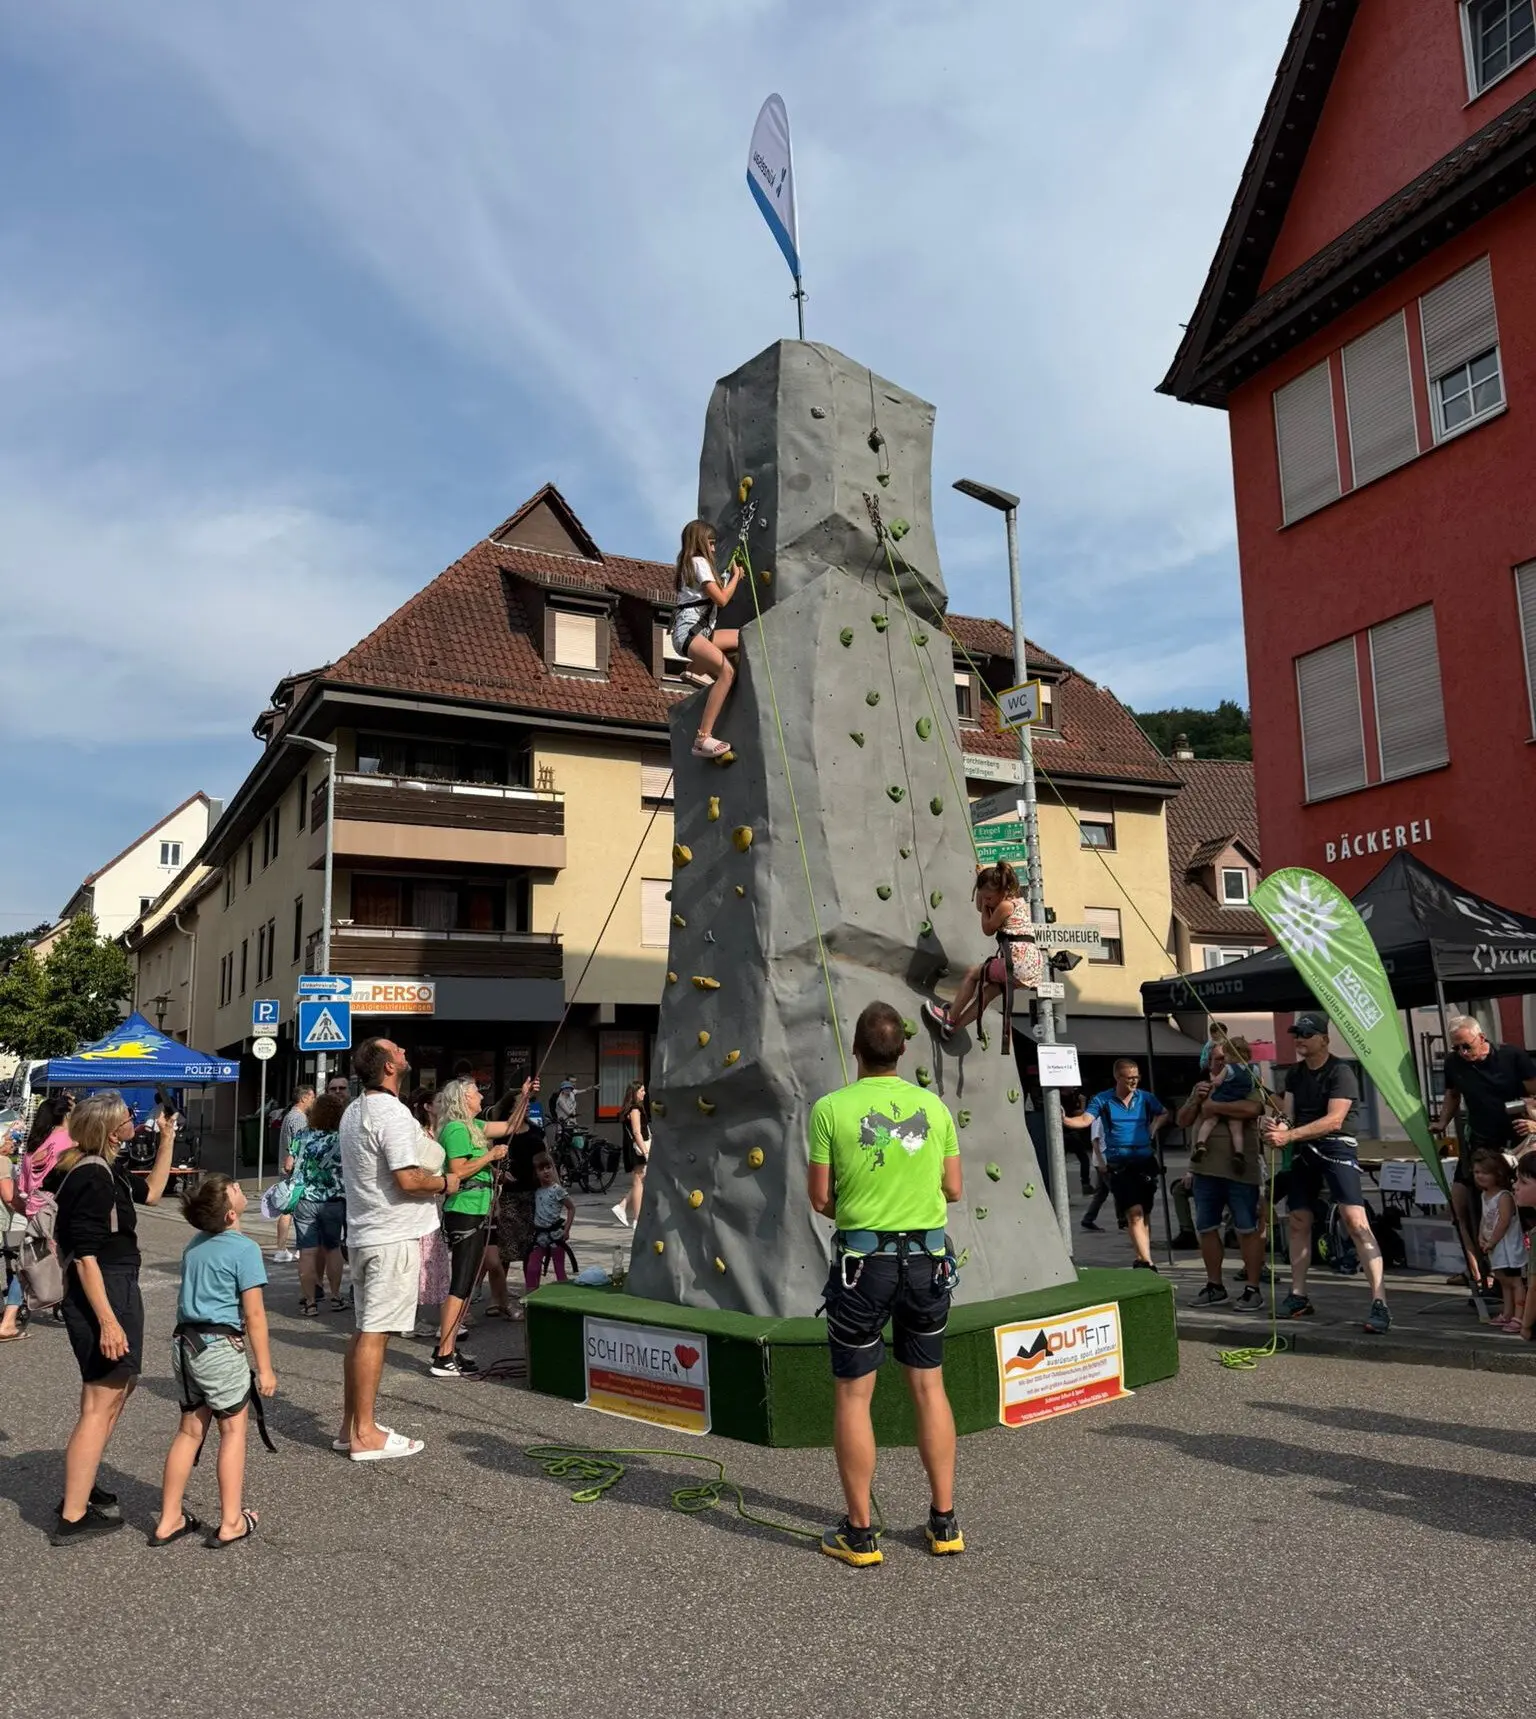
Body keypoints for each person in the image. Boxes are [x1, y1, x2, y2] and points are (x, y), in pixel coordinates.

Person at [808, 1000, 965, 1568]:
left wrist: (863, 1205)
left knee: (854, 1395)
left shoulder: (830, 1109)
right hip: (927, 1260)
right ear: (904, 1050)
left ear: (856, 1049)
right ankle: (944, 1522)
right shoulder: (934, 1108)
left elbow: (821, 1198)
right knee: (929, 1387)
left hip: (863, 1265)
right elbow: (953, 1190)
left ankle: (861, 1533)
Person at [46, 1092, 177, 1543]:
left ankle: (79, 1489)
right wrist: (108, 1321)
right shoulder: (92, 1177)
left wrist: (167, 1140)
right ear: (108, 1127)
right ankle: (74, 1514)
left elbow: (155, 1194)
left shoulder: (104, 1168)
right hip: (104, 1290)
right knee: (102, 1402)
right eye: (127, 1117)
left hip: (114, 1285)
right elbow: (84, 1256)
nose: (133, 1121)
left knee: (109, 1395)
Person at [337, 1038, 463, 1460]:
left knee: (363, 1331)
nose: (406, 1052)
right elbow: (408, 1180)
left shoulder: (356, 1109)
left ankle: (349, 1426)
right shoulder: (389, 1113)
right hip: (391, 1236)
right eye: (398, 1050)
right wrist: (445, 1183)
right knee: (375, 1333)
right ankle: (366, 1434)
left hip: (366, 1231)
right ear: (388, 1067)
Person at [152, 1173, 276, 1547]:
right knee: (233, 1431)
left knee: (189, 1430)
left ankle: (169, 1517)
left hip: (184, 1345)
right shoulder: (244, 1249)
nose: (241, 1191)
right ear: (229, 1216)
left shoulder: (194, 1245)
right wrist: (266, 1368)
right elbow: (254, 1315)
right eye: (236, 1190)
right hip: (220, 1348)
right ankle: (231, 1521)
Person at [1262, 1013, 1390, 1334]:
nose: (1300, 1039)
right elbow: (1288, 1116)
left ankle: (1380, 1301)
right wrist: (1274, 1126)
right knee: (1298, 1221)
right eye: (1297, 1034)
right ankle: (1299, 1295)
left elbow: (1334, 1120)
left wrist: (1288, 1136)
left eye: (1307, 1034)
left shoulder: (1341, 1071)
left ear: (1324, 1039)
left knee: (1356, 1222)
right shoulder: (1294, 1075)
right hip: (1305, 1150)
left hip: (1336, 1148)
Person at [430, 1077, 529, 1379]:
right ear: (463, 1099)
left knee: (468, 1279)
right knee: (461, 1283)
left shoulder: (473, 1127)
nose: (481, 1098)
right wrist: (490, 1156)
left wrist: (523, 1096)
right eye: (476, 1093)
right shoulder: (457, 1129)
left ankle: (447, 1349)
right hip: (464, 1210)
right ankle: (443, 1355)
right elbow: (457, 1171)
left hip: (477, 1209)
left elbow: (511, 1127)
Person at [1433, 1015, 1536, 1286]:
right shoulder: (1454, 1063)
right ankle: (1478, 1269)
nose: (1462, 1053)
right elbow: (1453, 1094)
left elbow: (1534, 1094)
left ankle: (1517, 1272)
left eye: (1466, 1046)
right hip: (1480, 1141)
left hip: (1517, 1142)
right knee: (1461, 1202)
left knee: (1515, 1205)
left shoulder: (1511, 1056)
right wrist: (1443, 1121)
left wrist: (1534, 1121)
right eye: (1456, 1048)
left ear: (1481, 1037)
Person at [1175, 1040, 1266, 1310]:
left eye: (1226, 1059)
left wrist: (1214, 1107)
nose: (1222, 1064)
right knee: (1206, 1227)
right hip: (1206, 1171)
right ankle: (1215, 1286)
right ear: (1208, 1062)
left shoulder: (1247, 1080)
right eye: (1217, 1059)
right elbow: (1182, 1120)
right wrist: (1197, 1099)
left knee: (1247, 1229)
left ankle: (1253, 1288)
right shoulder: (1202, 1087)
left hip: (1241, 1170)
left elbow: (1254, 1110)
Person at [1063, 1060, 1168, 1270]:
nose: (1134, 1081)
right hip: (1120, 1164)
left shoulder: (1145, 1098)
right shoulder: (1103, 1099)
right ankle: (1148, 1262)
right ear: (1117, 1078)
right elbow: (1085, 1120)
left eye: (1136, 1076)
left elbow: (1164, 1112)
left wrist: (1153, 1127)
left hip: (1145, 1162)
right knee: (1134, 1212)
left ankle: (1141, 1257)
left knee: (1144, 1213)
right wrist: (1064, 1120)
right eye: (1129, 1077)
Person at [922, 863, 1043, 1040]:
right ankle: (952, 1029)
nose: (985, 901)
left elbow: (987, 928)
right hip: (1029, 967)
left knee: (972, 974)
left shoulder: (1005, 906)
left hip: (1017, 962)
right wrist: (981, 887)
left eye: (988, 898)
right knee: (986, 994)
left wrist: (985, 905)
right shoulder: (1015, 900)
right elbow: (982, 908)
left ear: (1001, 892)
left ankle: (950, 1017)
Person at [673, 518, 742, 759]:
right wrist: (736, 577)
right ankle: (702, 738)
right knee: (727, 672)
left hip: (698, 633)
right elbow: (721, 599)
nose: (713, 549)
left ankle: (696, 669)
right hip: (691, 633)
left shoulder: (691, 565)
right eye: (711, 543)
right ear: (701, 542)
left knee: (744, 639)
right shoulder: (698, 562)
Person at [287, 1091, 349, 1315]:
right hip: (333, 1201)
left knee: (307, 1251)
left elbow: (289, 1164)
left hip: (304, 1199)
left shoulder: (303, 1135)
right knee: (333, 1249)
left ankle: (310, 1302)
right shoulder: (342, 1138)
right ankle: (335, 1296)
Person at [1188, 1035, 1257, 1173]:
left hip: (1222, 1097)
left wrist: (1213, 1081)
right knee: (1236, 1130)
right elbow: (1255, 1085)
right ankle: (1239, 1154)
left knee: (1210, 1121)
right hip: (1239, 1099)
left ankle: (1200, 1143)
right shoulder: (1253, 1068)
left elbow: (1218, 1082)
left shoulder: (1229, 1068)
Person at [1473, 1150, 1525, 1332]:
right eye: (1476, 1172)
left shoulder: (1504, 1196)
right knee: (1503, 1280)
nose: (1479, 1176)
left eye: (1484, 1172)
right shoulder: (1484, 1195)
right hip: (1495, 1247)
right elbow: (1484, 1219)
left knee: (1515, 1281)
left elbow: (1503, 1222)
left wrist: (1492, 1241)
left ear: (1498, 1174)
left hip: (1508, 1247)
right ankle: (1508, 1312)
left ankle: (1519, 1316)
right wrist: (1481, 1236)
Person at [272, 1083, 314, 1263]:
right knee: (292, 1210)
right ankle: (289, 1249)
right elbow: (300, 1144)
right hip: (295, 1172)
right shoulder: (298, 1118)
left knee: (289, 1209)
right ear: (304, 1098)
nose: (314, 1100)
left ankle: (283, 1249)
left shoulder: (290, 1115)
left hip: (289, 1170)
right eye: (312, 1097)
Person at [524, 1153, 575, 1289]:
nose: (546, 1171)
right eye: (541, 1169)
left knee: (559, 1270)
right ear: (536, 1173)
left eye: (548, 1167)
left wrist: (567, 1229)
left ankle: (562, 1299)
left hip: (555, 1236)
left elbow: (571, 1208)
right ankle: (530, 1299)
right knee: (532, 1268)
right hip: (540, 1237)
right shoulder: (536, 1191)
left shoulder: (557, 1190)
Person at [612, 1080, 650, 1229]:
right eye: (642, 1091)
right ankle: (637, 1218)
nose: (644, 1093)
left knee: (641, 1181)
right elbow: (636, 1132)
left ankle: (623, 1206)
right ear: (634, 1092)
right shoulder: (635, 1110)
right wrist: (645, 1152)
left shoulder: (632, 1109)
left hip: (635, 1148)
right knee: (639, 1182)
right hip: (639, 1149)